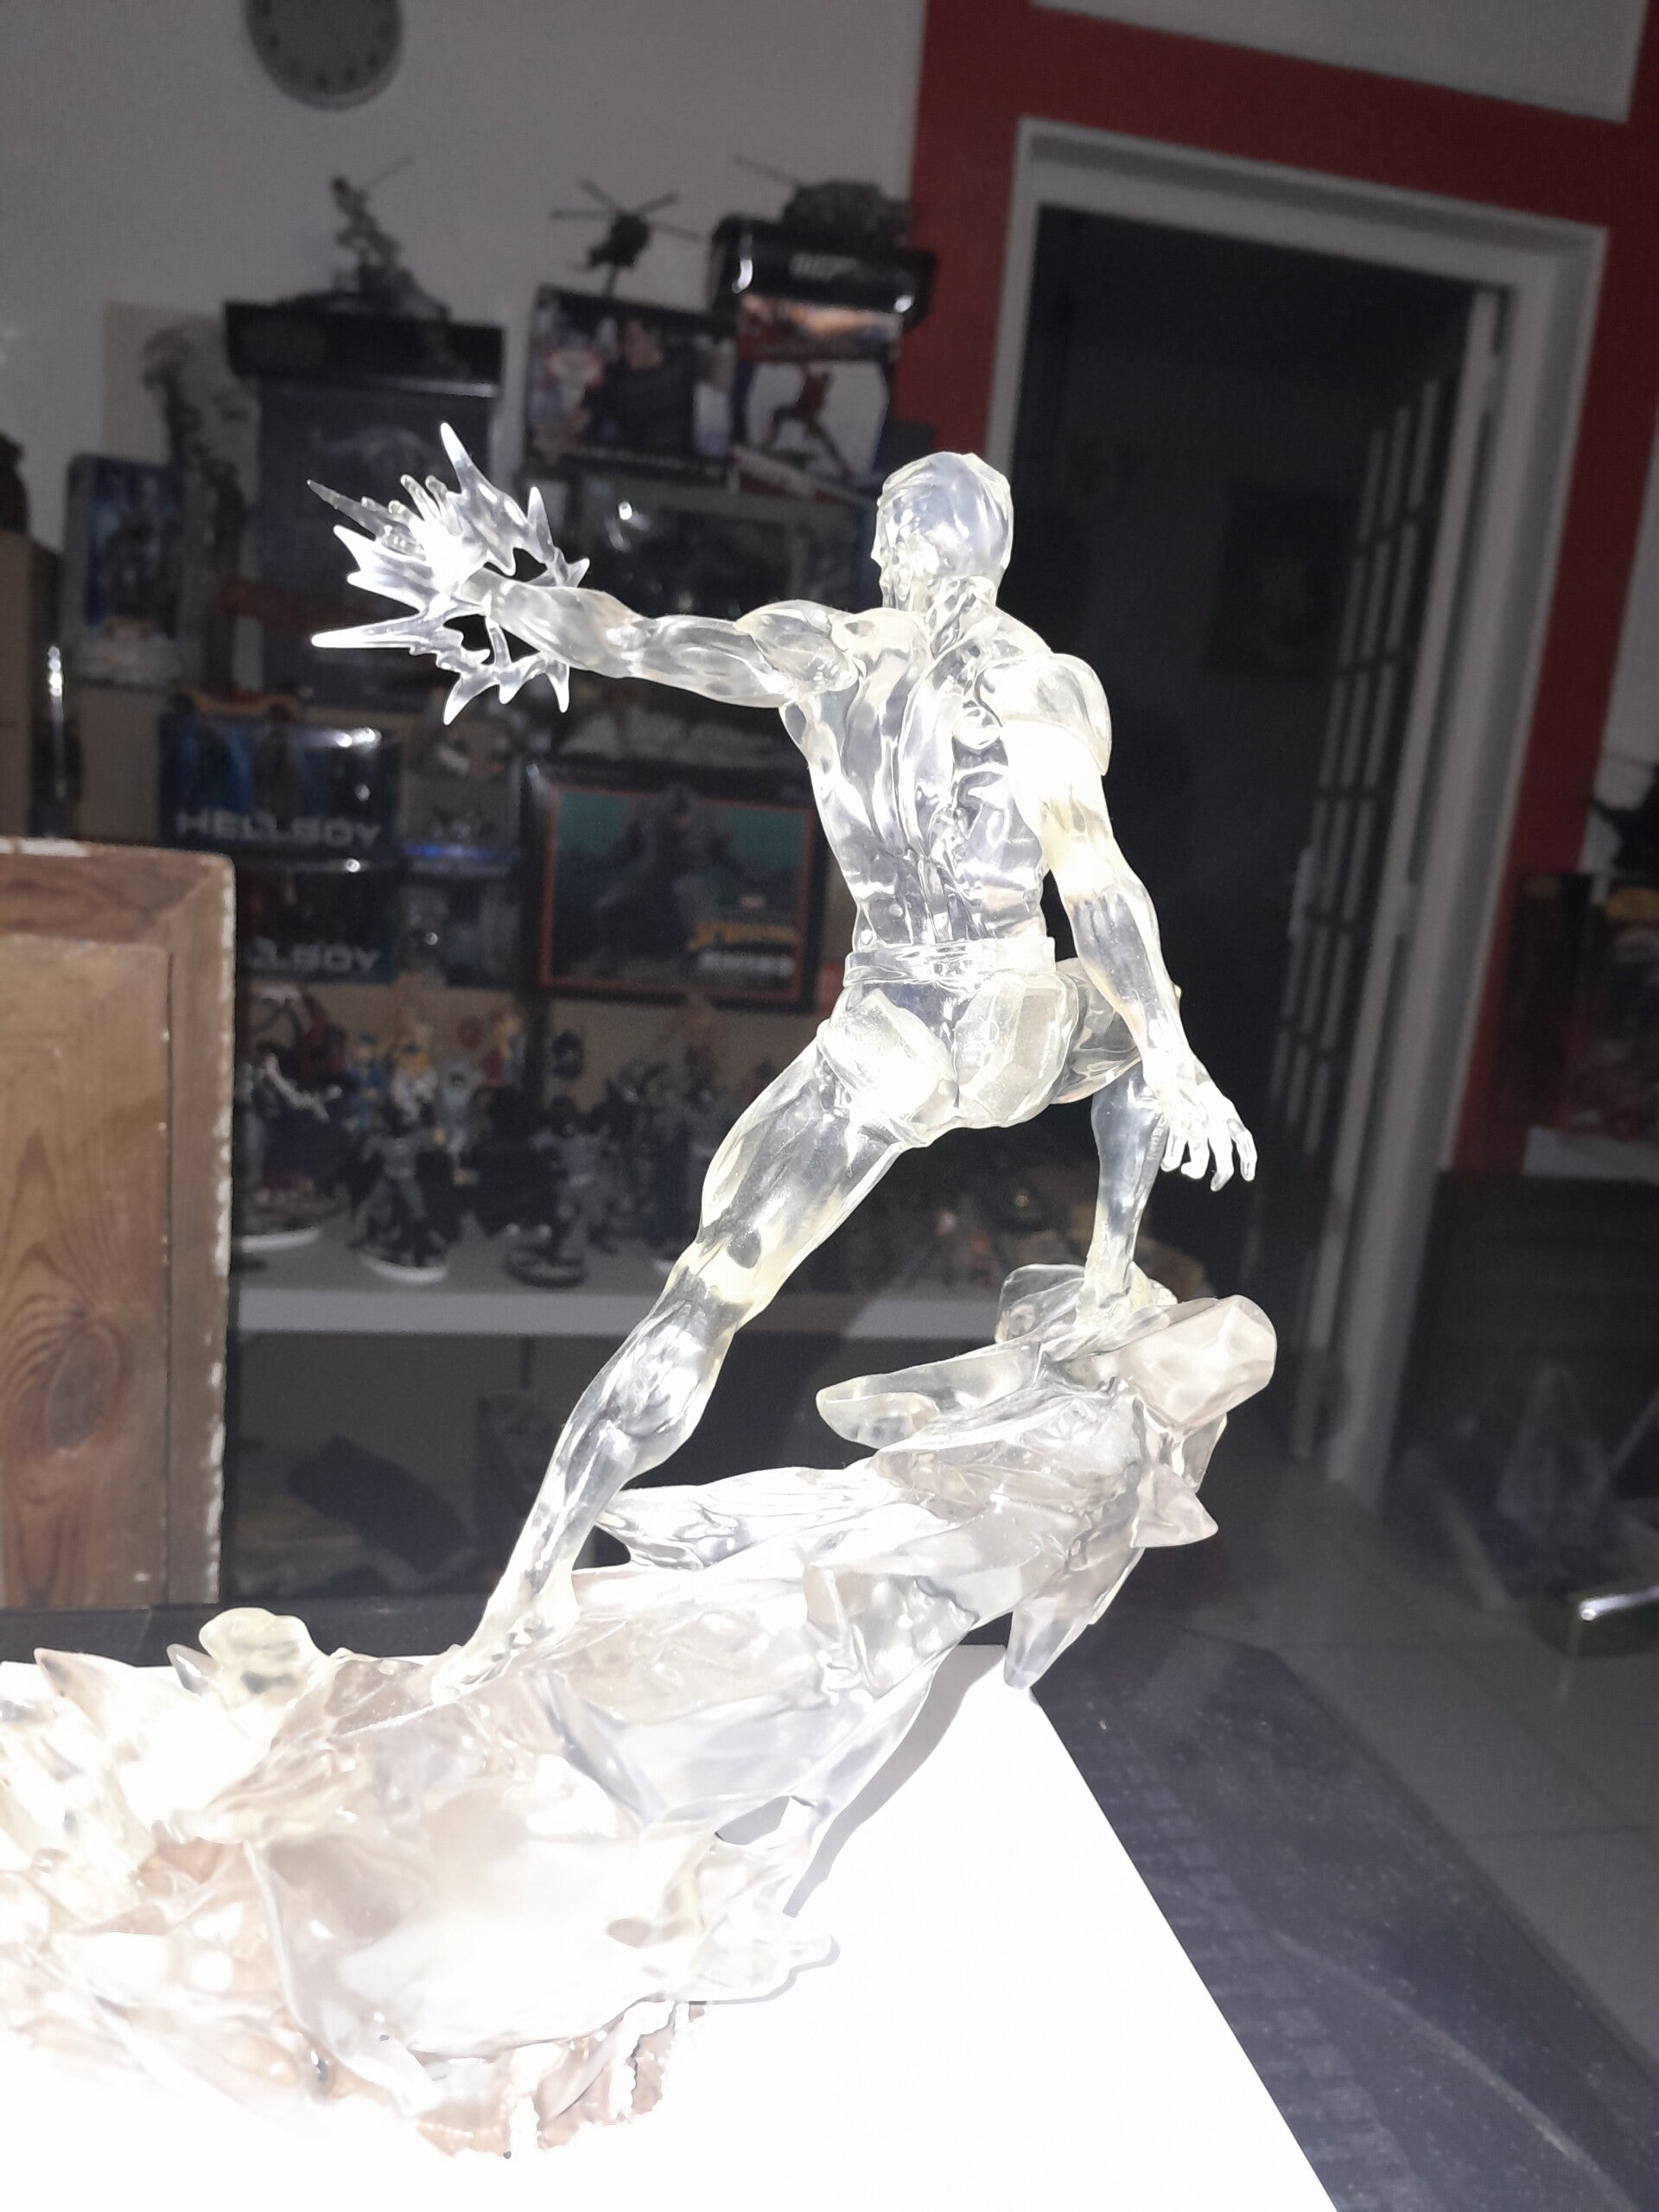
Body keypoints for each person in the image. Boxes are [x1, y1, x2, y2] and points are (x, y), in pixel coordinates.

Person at [316, 442, 1255, 1667]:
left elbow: (630, 640)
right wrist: (1172, 1054)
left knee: (703, 1297)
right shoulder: (1038, 682)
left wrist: (492, 593)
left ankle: (524, 1589)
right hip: (1007, 1024)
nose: (883, 552)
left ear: (892, 546)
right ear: (996, 553)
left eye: (888, 532)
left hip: (885, 1036)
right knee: (1132, 1014)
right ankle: (1105, 1278)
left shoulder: (823, 652)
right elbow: (1099, 885)